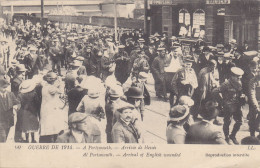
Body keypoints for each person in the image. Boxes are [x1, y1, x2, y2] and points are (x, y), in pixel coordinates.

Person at [212, 67, 246, 145]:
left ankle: (232, 136)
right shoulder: (226, 84)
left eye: (239, 77)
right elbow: (214, 92)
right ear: (232, 76)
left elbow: (240, 91)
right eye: (237, 77)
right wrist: (221, 102)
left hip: (237, 105)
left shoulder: (239, 82)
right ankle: (227, 137)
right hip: (228, 106)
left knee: (240, 121)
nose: (239, 79)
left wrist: (242, 95)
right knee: (227, 122)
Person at [39, 72, 67, 143]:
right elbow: (60, 91)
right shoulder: (51, 88)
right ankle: (51, 138)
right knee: (52, 124)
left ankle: (50, 137)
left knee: (49, 124)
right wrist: (61, 84)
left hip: (47, 108)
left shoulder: (45, 86)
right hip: (50, 109)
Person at [0, 78, 20, 142]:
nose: (5, 89)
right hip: (1, 120)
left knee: (5, 136)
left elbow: (17, 102)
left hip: (9, 120)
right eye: (3, 87)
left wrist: (16, 107)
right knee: (2, 137)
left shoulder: (11, 94)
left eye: (6, 87)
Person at [248, 74, 260, 138]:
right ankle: (252, 136)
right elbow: (252, 94)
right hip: (254, 102)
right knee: (252, 119)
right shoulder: (253, 81)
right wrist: (256, 106)